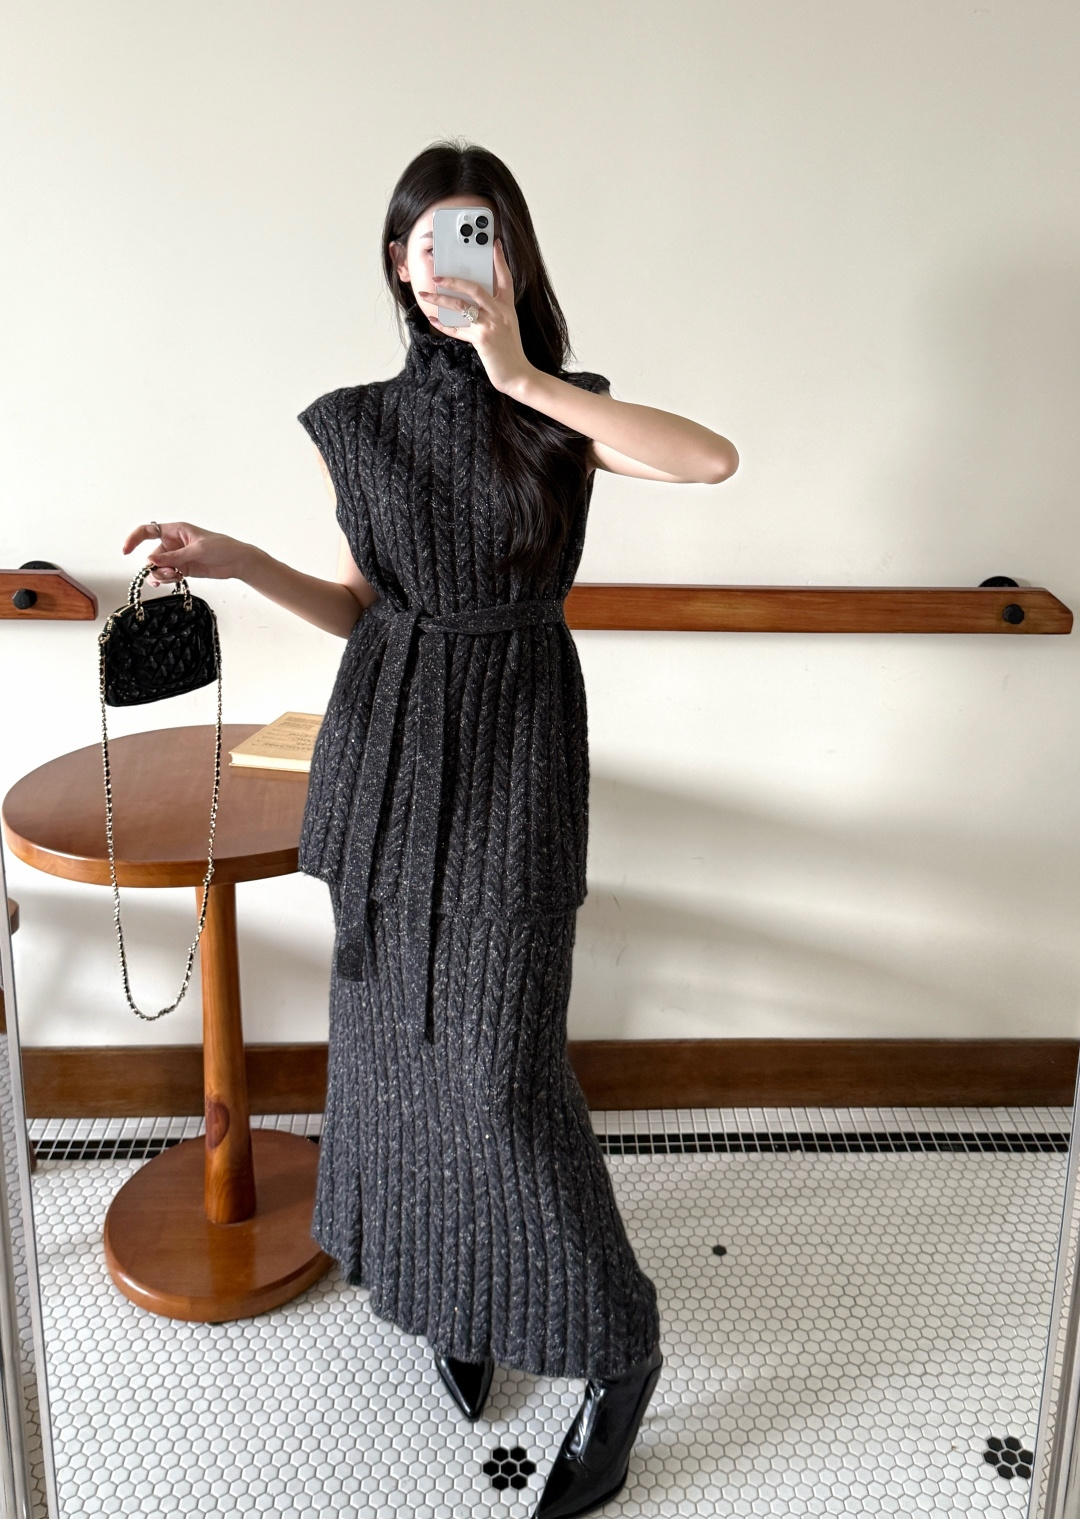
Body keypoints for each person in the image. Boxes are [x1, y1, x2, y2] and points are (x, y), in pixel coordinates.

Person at [123, 141, 737, 1519]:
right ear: (397, 265)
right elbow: (361, 607)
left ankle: (620, 1354)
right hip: (388, 752)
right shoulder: (357, 423)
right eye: (426, 238)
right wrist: (238, 562)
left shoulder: (559, 408)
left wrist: (521, 374)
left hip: (516, 746)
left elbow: (712, 460)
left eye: (479, 234)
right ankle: (459, 1294)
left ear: (511, 256)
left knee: (503, 1074)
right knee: (398, 1055)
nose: (450, 259)